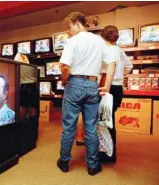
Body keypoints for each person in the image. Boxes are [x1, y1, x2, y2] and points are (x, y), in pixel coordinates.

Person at [56, 12, 116, 176]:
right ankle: (93, 166)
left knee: (69, 127)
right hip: (92, 85)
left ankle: (64, 162)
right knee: (91, 128)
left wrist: (63, 81)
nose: (68, 32)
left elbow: (65, 67)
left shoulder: (72, 41)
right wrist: (107, 86)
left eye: (69, 27)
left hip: (74, 84)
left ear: (76, 23)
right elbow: (112, 63)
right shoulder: (99, 41)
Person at [99, 25, 133, 163]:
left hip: (108, 88)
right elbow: (129, 67)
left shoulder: (107, 50)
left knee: (104, 121)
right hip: (118, 89)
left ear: (103, 36)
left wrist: (109, 81)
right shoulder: (119, 50)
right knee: (109, 119)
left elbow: (104, 71)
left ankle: (108, 153)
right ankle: (110, 151)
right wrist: (120, 76)